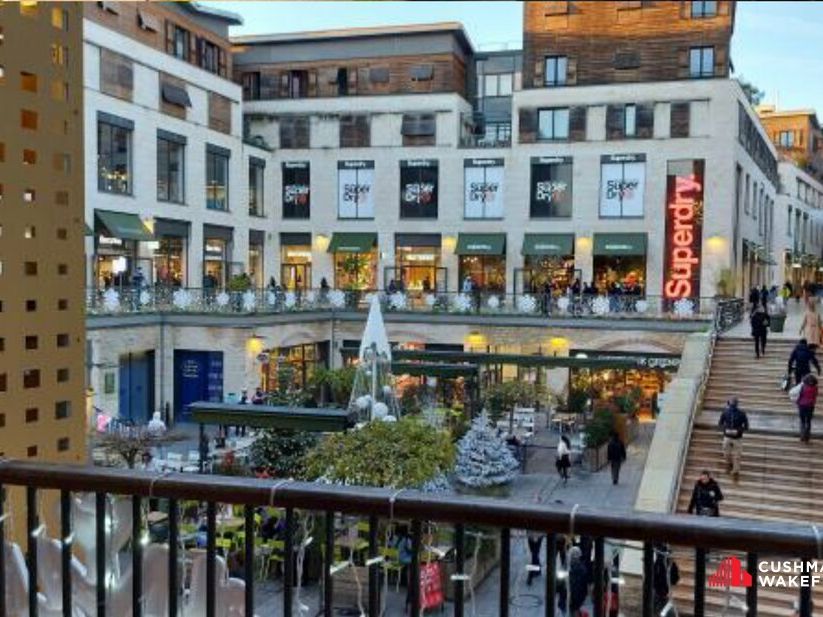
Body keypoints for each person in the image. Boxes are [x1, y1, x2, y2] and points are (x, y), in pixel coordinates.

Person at [718, 398, 749, 478]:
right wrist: (726, 428)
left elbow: (746, 426)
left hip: (735, 437)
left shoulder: (741, 414)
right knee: (728, 453)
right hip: (730, 437)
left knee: (735, 454)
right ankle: (730, 465)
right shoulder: (725, 412)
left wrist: (737, 430)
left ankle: (735, 469)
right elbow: (720, 423)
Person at [653, 544, 680, 614]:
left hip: (662, 590)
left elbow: (675, 579)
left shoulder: (663, 563)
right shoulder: (659, 563)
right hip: (661, 590)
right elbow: (675, 579)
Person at [796, 373, 818, 443]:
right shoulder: (815, 388)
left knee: (802, 421)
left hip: (802, 405)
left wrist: (797, 401)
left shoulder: (803, 387)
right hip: (810, 406)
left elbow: (799, 395)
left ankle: (802, 436)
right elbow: (815, 396)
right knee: (808, 421)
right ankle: (807, 437)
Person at [568, 546, 589, 617]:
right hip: (575, 594)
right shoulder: (578, 567)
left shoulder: (579, 568)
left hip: (576, 595)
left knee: (574, 609)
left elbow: (581, 584)